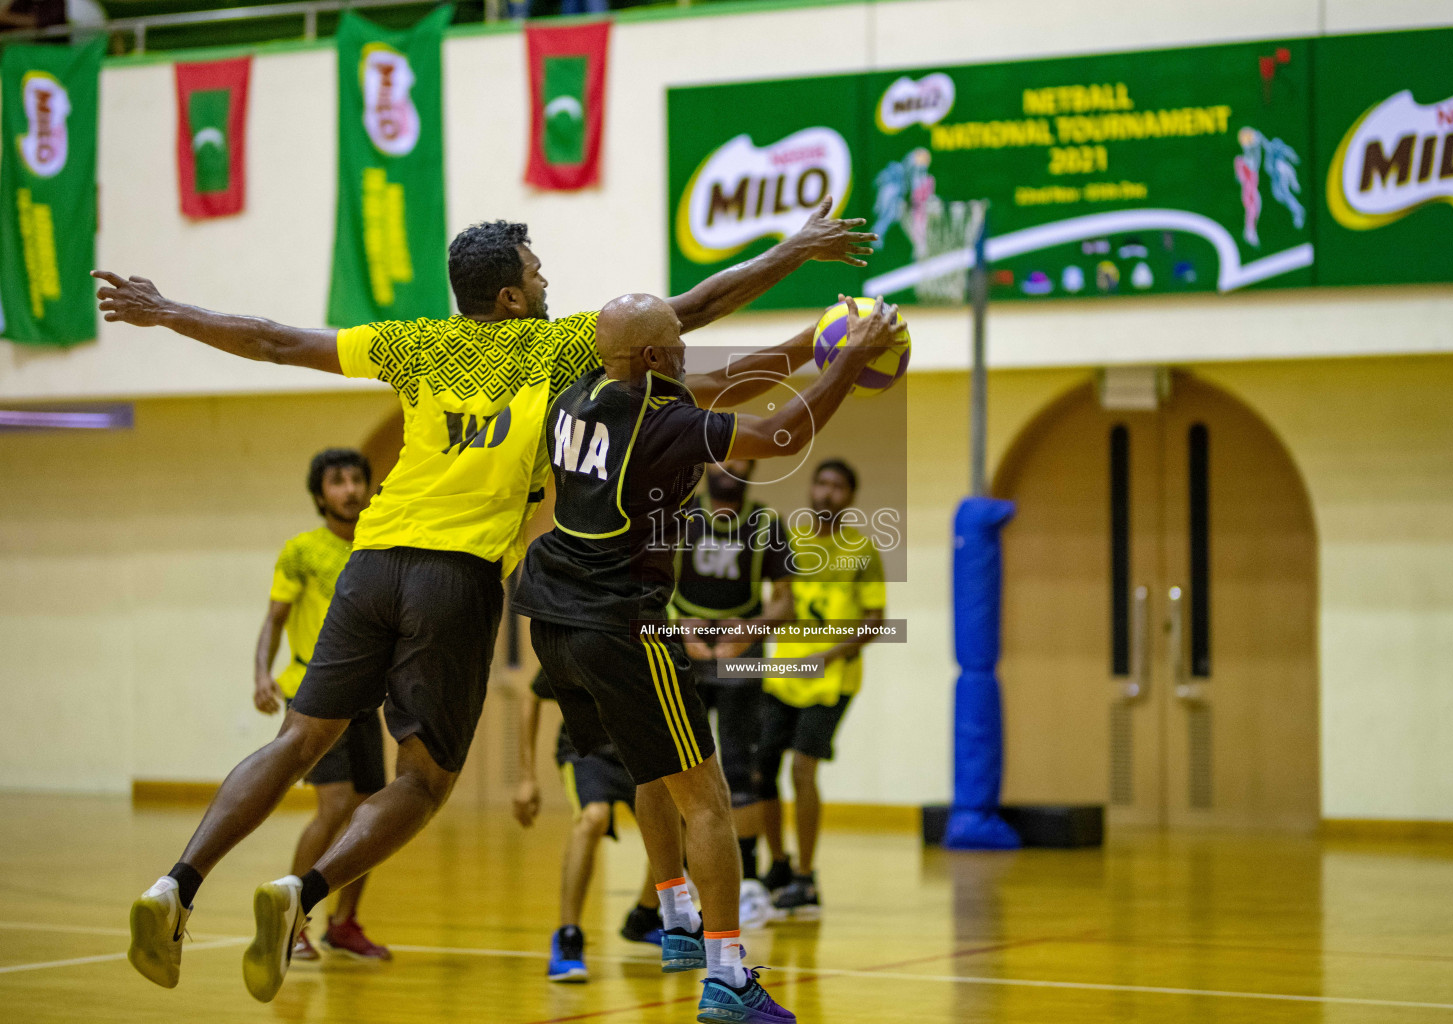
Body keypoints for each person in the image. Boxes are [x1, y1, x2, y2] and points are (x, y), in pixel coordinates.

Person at [101, 199, 875, 1002]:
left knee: (298, 739)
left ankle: (176, 884)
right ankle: (306, 891)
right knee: (424, 783)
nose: (545, 278)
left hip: (370, 562)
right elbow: (697, 313)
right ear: (510, 297)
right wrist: (801, 252)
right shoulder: (558, 350)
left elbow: (272, 340)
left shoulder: (412, 342)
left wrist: (164, 312)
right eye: (534, 270)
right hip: (457, 578)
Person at [512, 292, 902, 1024]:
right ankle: (726, 979)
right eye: (677, 340)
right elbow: (784, 434)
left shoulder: (579, 393)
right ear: (655, 358)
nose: (690, 349)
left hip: (552, 616)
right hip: (622, 621)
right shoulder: (666, 424)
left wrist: (812, 339)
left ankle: (676, 916)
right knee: (709, 799)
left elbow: (740, 376)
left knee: (651, 769)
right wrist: (848, 359)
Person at [253, 448, 390, 962]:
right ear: (319, 495)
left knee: (372, 813)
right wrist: (261, 673)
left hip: (364, 696)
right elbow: (275, 618)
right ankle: (293, 919)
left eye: (357, 479)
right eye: (337, 481)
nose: (350, 489)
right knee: (334, 805)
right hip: (312, 692)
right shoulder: (301, 551)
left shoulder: (377, 549)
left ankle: (345, 923)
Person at [757, 459, 886, 919]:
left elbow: (876, 622)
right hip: (783, 672)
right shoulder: (789, 540)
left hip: (832, 678)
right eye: (823, 483)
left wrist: (828, 655)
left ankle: (807, 878)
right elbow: (778, 601)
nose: (828, 492)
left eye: (838, 487)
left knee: (803, 771)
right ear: (812, 488)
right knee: (760, 769)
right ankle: (779, 864)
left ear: (849, 497)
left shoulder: (863, 550)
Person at [672, 460, 794, 928]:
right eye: (725, 457)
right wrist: (676, 626)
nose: (732, 466)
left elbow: (784, 598)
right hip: (685, 657)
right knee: (681, 769)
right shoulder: (680, 519)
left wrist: (754, 628)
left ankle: (748, 883)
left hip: (741, 661)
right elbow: (649, 584)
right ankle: (681, 885)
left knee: (742, 770)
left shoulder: (765, 525)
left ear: (754, 467)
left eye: (743, 458)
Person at [513, 668, 664, 982]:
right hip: (586, 755)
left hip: (640, 753)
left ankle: (645, 917)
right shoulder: (577, 635)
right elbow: (532, 695)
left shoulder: (652, 634)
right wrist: (527, 776)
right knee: (594, 817)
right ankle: (568, 936)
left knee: (673, 826)